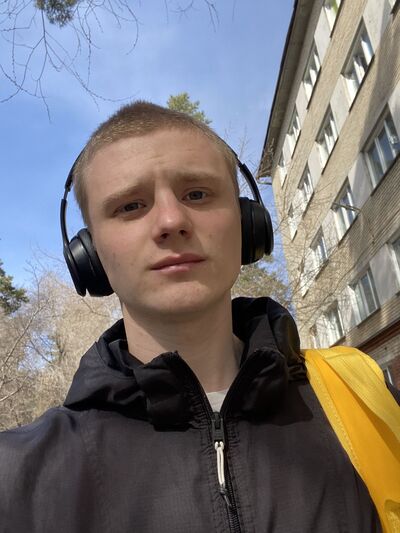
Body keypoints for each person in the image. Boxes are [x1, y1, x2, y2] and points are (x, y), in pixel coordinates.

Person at [0, 101, 399, 533]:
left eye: (197, 194)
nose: (172, 221)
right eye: (131, 206)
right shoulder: (18, 477)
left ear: (247, 223)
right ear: (89, 255)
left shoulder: (365, 395)